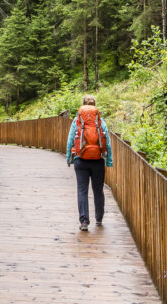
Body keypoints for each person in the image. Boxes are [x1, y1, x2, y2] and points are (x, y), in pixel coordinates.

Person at [65, 94, 113, 231]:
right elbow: (107, 142)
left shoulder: (77, 121)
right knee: (98, 190)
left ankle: (84, 221)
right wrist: (109, 160)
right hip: (97, 160)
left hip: (80, 159)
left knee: (82, 190)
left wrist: (69, 157)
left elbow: (70, 140)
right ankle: (99, 217)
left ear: (83, 105)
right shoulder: (100, 122)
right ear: (95, 106)